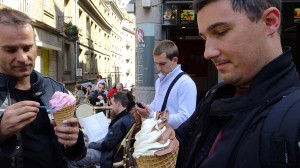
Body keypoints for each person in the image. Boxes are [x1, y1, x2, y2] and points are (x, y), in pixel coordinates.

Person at [175, 0, 300, 168]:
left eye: (221, 32)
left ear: (270, 21)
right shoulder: (215, 96)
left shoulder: (292, 119)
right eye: (205, 38)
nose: (207, 52)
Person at [0, 8, 86, 168]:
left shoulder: (54, 88)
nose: (22, 57)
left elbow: (74, 154)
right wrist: (2, 133)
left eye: (27, 48)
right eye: (10, 50)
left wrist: (75, 141)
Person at [135, 40, 197, 129]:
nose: (158, 68)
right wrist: (146, 108)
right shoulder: (159, 81)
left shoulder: (185, 83)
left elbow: (186, 119)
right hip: (162, 136)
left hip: (176, 139)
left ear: (174, 60)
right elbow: (157, 104)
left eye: (162, 64)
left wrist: (152, 115)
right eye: (156, 64)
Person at [69, 92, 135, 168]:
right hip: (113, 151)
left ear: (118, 104)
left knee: (72, 158)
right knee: (83, 145)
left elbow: (106, 145)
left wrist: (91, 144)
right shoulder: (129, 117)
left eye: (112, 104)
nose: (111, 106)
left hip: (108, 154)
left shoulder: (121, 123)